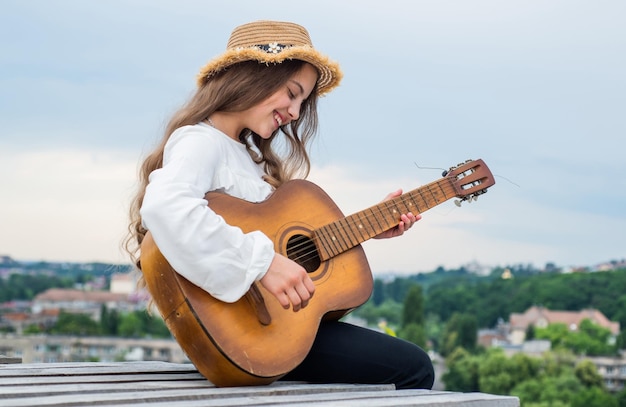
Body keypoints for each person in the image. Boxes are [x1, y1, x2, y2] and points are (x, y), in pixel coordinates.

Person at [126, 20, 434, 390]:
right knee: (413, 368)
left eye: (302, 102)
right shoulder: (200, 142)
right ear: (251, 77)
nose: (294, 112)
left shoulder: (248, 157)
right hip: (251, 330)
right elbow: (165, 207)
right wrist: (263, 264)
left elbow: (281, 243)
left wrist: (366, 229)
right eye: (292, 93)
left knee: (410, 364)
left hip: (281, 322)